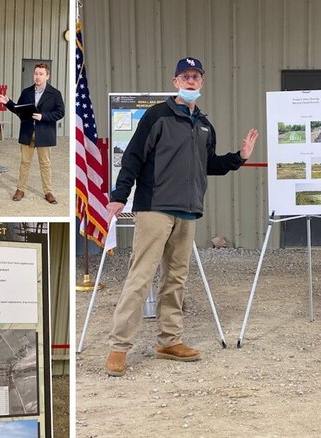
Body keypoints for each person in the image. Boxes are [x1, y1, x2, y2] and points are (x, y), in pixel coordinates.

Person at [104, 57, 259, 377]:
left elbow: (209, 164)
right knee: (141, 277)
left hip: (187, 211)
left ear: (202, 83)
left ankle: (169, 341)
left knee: (176, 278)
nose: (191, 82)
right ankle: (119, 347)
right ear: (175, 82)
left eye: (196, 77)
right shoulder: (156, 116)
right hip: (155, 208)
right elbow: (133, 156)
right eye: (185, 77)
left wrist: (239, 157)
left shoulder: (204, 125)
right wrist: (120, 195)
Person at [0, 63, 65, 204]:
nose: (37, 77)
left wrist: (43, 116)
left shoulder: (55, 94)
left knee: (45, 163)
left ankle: (48, 192)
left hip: (44, 133)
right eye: (35, 73)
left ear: (47, 76)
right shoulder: (26, 92)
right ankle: (20, 190)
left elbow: (60, 112)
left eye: (41, 74)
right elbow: (18, 110)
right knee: (25, 163)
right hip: (28, 132)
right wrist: (8, 103)